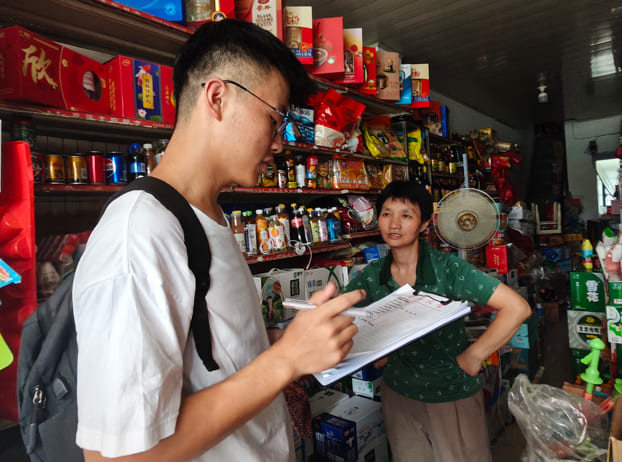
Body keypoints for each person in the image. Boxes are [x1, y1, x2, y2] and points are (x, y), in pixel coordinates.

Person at [72, 19, 364, 461]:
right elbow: (119, 457)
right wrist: (286, 359)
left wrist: (282, 340)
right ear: (217, 96)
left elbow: (209, 350)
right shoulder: (140, 233)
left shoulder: (206, 216)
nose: (280, 142)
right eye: (274, 117)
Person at [344, 180, 531, 462]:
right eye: (386, 214)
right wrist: (373, 350)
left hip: (450, 393)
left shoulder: (448, 269)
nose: (394, 224)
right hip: (399, 396)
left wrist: (473, 356)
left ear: (424, 224)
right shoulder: (373, 275)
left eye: (406, 215)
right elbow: (343, 315)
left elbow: (516, 308)